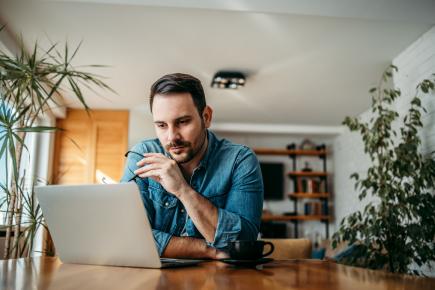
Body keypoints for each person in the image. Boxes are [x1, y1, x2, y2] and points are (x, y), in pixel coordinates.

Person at [121, 73, 263, 259]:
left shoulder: (239, 160)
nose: (172, 137)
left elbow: (243, 243)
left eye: (182, 122)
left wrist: (182, 190)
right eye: (162, 125)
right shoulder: (142, 155)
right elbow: (127, 236)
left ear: (206, 117)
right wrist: (210, 249)